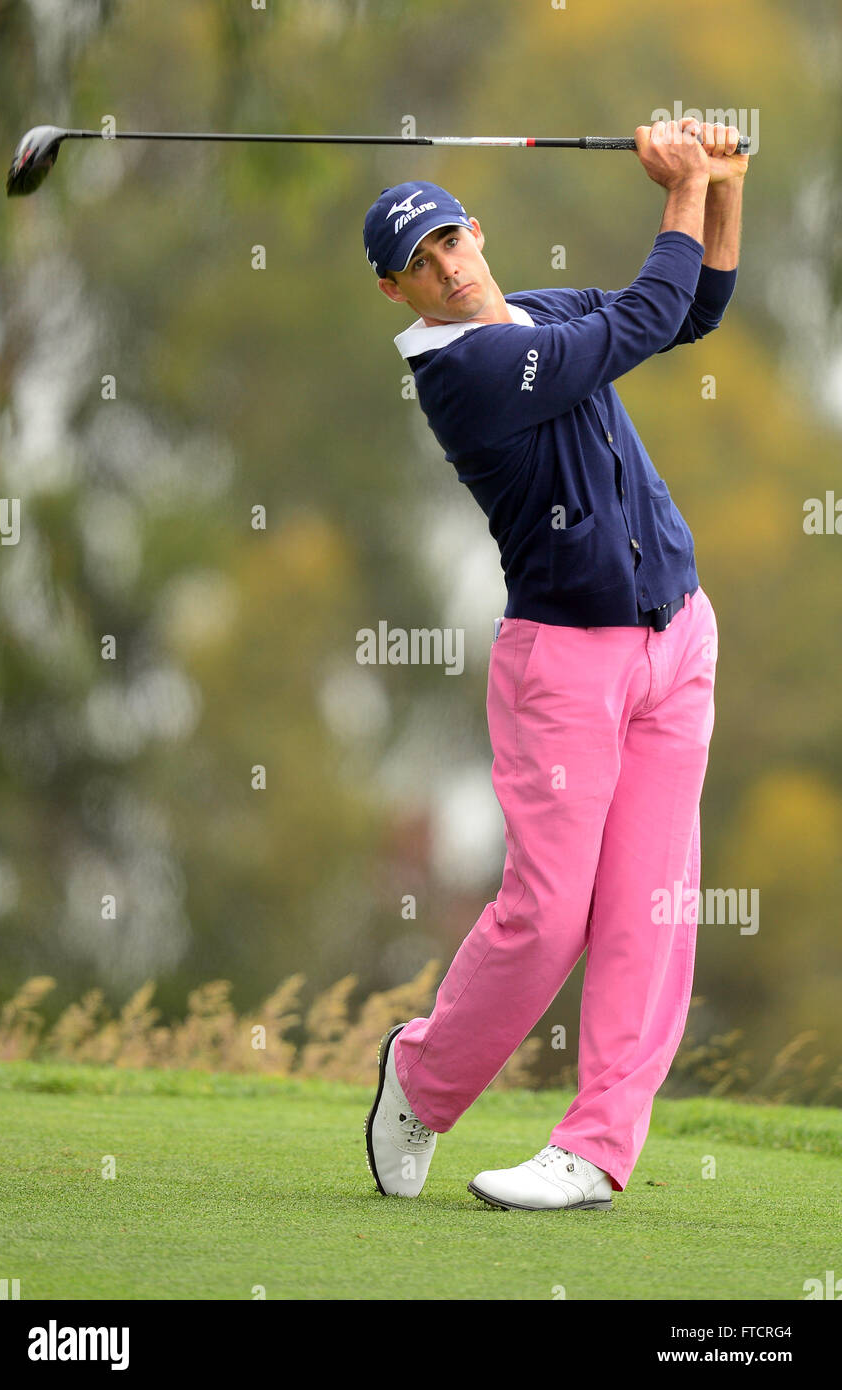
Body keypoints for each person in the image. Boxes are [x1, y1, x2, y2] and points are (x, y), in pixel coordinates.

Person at [363, 119, 747, 1211]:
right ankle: (420, 1081)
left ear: (476, 231)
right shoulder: (467, 370)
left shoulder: (531, 312)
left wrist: (720, 186)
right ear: (397, 293)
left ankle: (594, 1149)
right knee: (549, 919)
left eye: (450, 239)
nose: (446, 266)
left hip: (676, 639)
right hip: (565, 667)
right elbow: (643, 315)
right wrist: (677, 185)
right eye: (419, 264)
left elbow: (695, 308)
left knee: (651, 910)